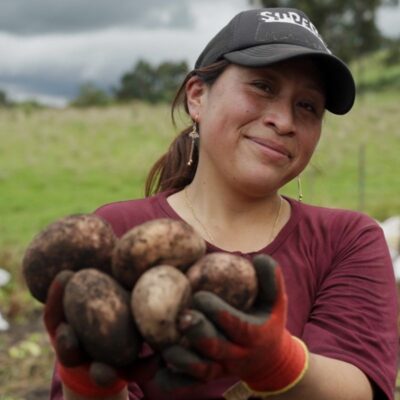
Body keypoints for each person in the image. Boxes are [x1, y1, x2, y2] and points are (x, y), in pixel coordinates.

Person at [47, 7, 398, 400]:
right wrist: (92, 382)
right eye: (263, 86)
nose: (284, 121)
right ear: (198, 96)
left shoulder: (346, 239)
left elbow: (359, 389)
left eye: (307, 106)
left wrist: (274, 362)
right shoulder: (117, 230)